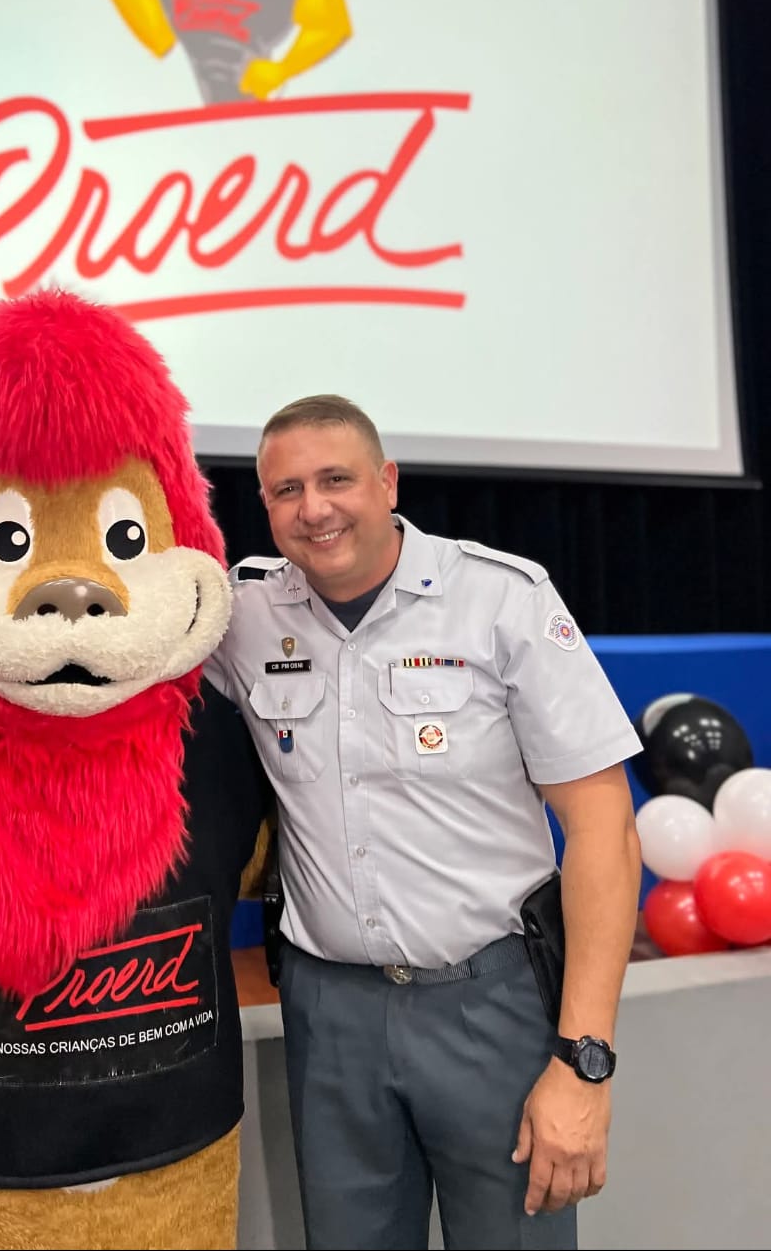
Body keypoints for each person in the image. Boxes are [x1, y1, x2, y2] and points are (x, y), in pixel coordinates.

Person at [204, 394, 643, 1251]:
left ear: (388, 481)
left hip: (490, 1008)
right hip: (330, 1017)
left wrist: (584, 1060)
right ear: (264, 504)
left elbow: (605, 832)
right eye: (287, 489)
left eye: (336, 479)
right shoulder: (242, 615)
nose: (314, 508)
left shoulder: (501, 600)